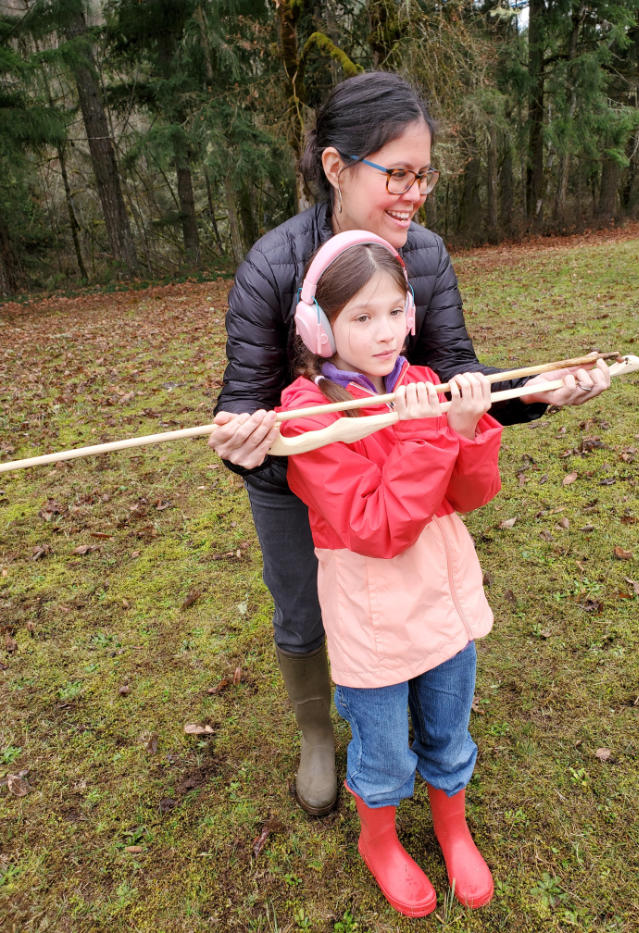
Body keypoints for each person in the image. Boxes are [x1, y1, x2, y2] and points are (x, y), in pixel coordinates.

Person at [209, 71, 610, 818]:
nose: (414, 192)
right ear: (336, 167)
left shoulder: (421, 255)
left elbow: (457, 373)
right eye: (396, 173)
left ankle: (420, 715)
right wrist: (245, 442)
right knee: (304, 612)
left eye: (423, 174)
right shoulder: (271, 265)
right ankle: (318, 735)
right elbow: (242, 405)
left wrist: (535, 387)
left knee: (408, 602)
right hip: (301, 476)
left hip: (400, 472)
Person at [277, 229, 501, 916]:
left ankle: (451, 823)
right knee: (380, 748)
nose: (383, 333)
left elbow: (468, 496)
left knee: (447, 727)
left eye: (394, 312)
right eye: (360, 316)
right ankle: (379, 839)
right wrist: (418, 437)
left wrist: (463, 430)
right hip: (372, 612)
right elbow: (375, 527)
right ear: (320, 327)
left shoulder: (425, 386)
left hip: (442, 596)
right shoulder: (308, 416)